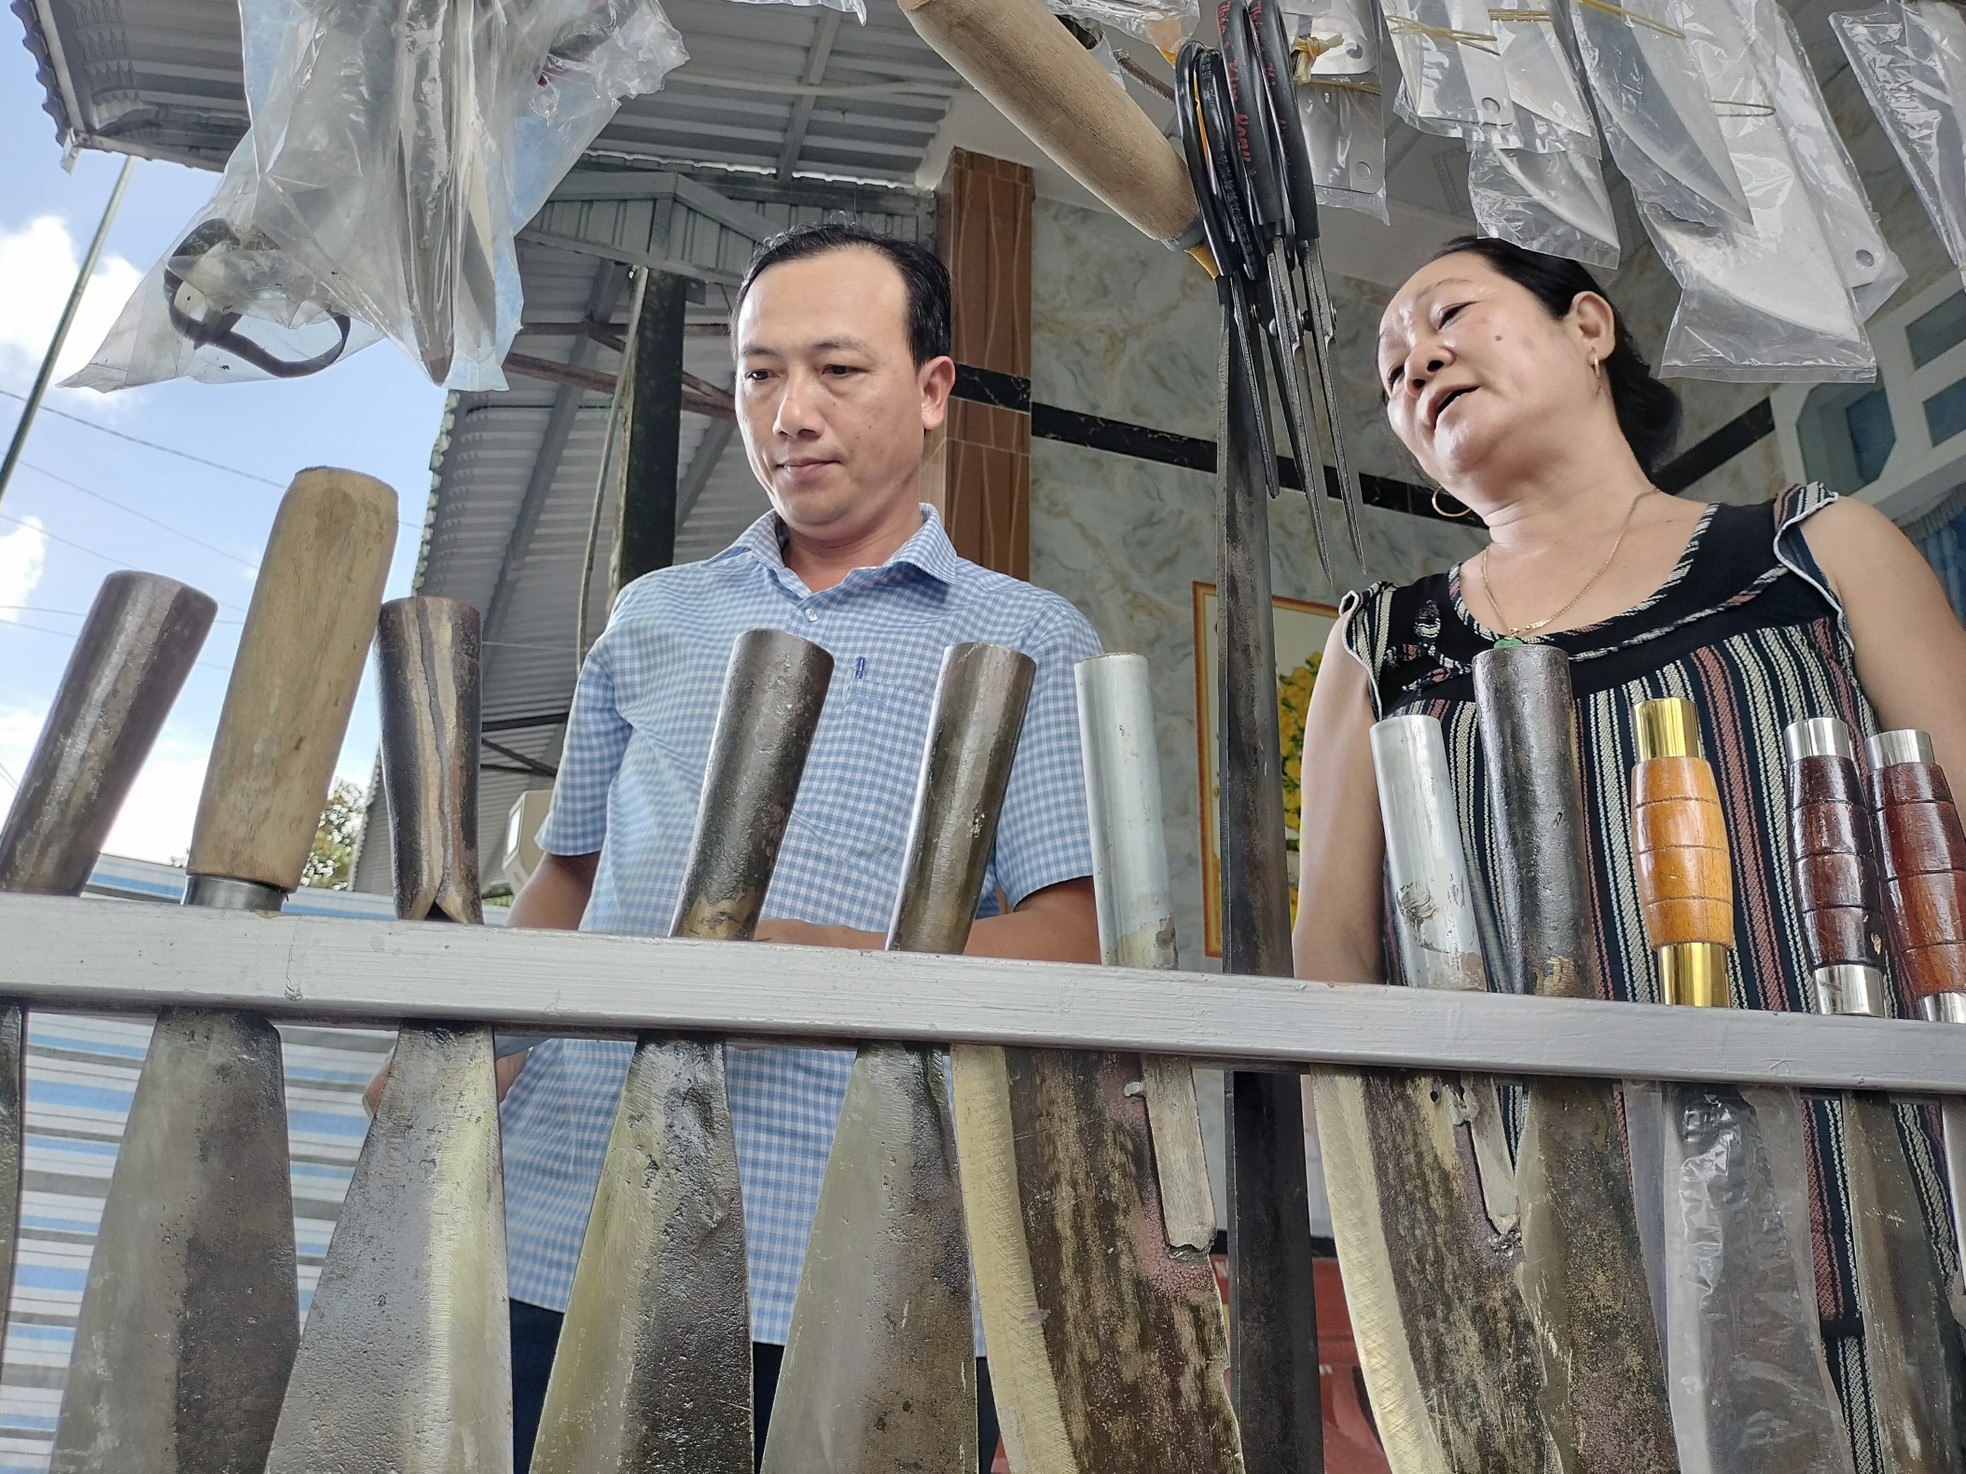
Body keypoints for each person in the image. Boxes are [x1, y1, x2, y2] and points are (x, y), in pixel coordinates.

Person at [425, 221, 1101, 1468]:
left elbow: (1070, 940)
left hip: (856, 1256)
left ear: (933, 389)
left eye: (838, 370)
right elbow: (568, 876)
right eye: (758, 372)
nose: (790, 411)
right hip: (559, 1224)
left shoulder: (1027, 637)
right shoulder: (656, 616)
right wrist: (468, 1062)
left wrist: (820, 966)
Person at [1292, 234, 1966, 1469]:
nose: (1417, 362)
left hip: (1865, 1196)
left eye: (1448, 315)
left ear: (1589, 327)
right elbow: (1334, 973)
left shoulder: (1809, 552)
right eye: (1390, 371)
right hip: (1543, 1246)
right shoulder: (1381, 647)